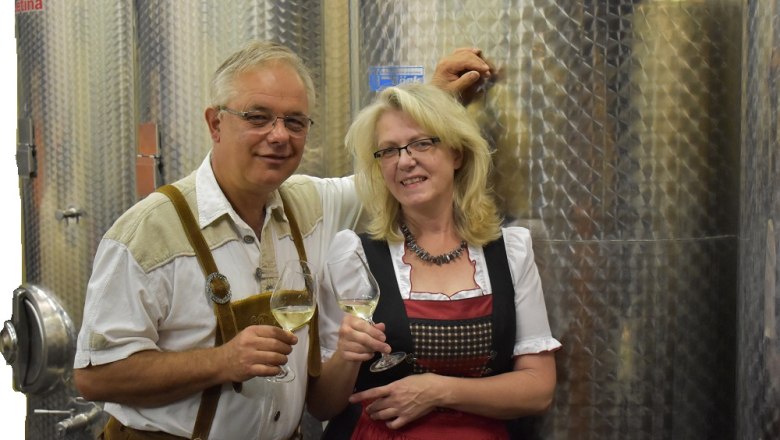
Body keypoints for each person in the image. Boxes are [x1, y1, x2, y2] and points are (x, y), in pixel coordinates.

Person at [71, 40, 492, 440]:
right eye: (257, 117)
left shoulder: (308, 205)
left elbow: (397, 171)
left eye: (294, 122)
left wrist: (434, 100)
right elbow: (94, 376)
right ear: (215, 124)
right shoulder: (149, 230)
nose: (278, 136)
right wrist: (221, 362)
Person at [310, 82, 561, 439]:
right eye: (389, 151)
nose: (404, 161)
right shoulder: (353, 256)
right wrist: (345, 357)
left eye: (422, 143)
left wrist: (436, 390)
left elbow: (538, 389)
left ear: (457, 154)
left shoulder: (511, 251)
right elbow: (322, 406)